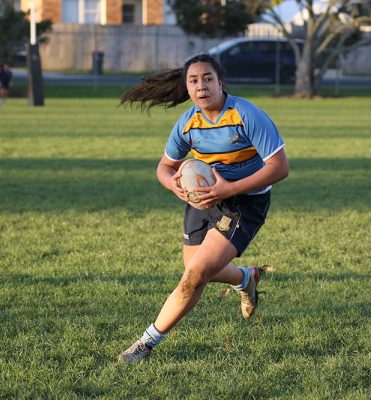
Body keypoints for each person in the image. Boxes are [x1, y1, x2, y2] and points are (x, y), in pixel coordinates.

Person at [117, 54, 289, 363]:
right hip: (203, 199)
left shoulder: (245, 114)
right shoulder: (187, 124)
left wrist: (229, 188)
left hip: (244, 201)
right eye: (194, 81)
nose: (201, 86)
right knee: (195, 272)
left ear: (221, 82)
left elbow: (279, 167)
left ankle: (144, 344)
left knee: (195, 275)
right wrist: (175, 186)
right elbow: (165, 167)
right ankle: (245, 278)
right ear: (186, 87)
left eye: (208, 79)